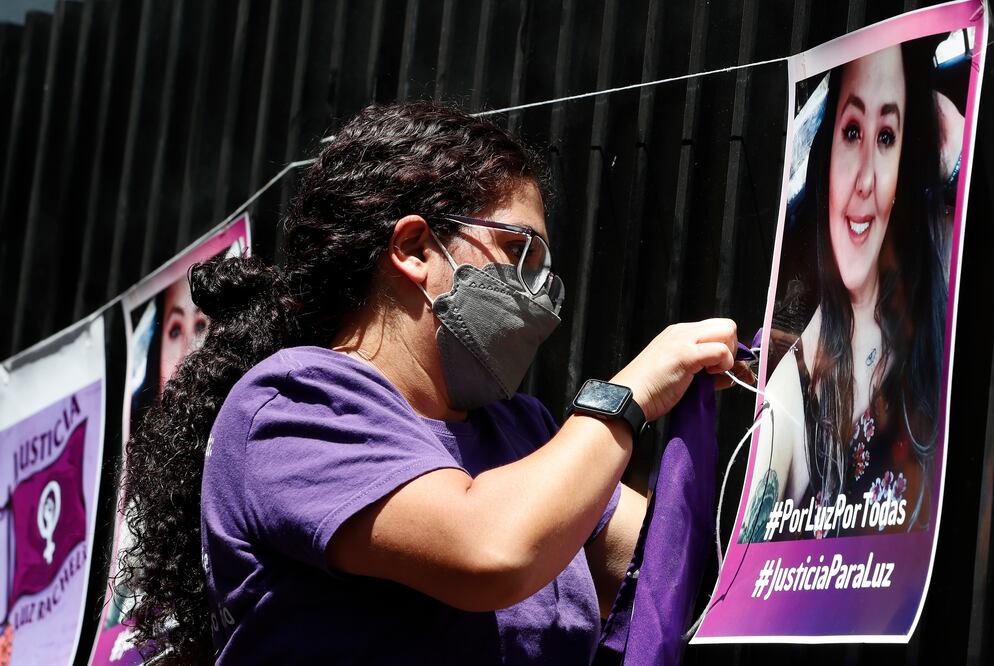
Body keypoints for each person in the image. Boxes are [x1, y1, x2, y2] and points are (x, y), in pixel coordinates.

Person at [119, 102, 741, 664]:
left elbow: (677, 567)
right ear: (415, 247)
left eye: (548, 273)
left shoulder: (520, 432)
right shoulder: (296, 405)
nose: (545, 299)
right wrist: (625, 399)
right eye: (519, 253)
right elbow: (494, 548)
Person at [740, 42, 948, 543]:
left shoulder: (931, 305)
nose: (865, 181)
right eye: (852, 132)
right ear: (825, 153)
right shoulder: (792, 396)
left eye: (886, 137)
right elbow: (742, 582)